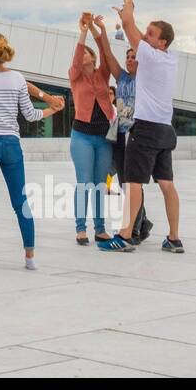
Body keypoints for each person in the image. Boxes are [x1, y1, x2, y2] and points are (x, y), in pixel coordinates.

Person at [0, 33, 62, 273]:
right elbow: (30, 115)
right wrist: (52, 109)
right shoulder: (17, 79)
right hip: (11, 144)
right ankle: (29, 258)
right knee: (21, 203)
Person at [99, 0, 182, 253]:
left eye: (150, 34)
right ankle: (174, 238)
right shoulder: (170, 59)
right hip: (165, 130)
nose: (144, 37)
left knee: (133, 183)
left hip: (144, 128)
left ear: (162, 42)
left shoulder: (150, 54)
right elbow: (131, 29)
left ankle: (124, 236)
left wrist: (127, 3)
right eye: (145, 32)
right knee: (167, 184)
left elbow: (127, 26)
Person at [68, 14, 116, 245]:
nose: (83, 54)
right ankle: (80, 228)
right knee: (84, 182)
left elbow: (106, 51)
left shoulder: (103, 74)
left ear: (93, 57)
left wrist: (99, 30)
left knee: (99, 184)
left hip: (104, 136)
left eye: (88, 52)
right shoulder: (75, 76)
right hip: (82, 136)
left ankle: (100, 228)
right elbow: (76, 60)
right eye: (82, 52)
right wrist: (83, 30)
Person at [101, 35, 151, 238]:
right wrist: (101, 29)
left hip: (137, 135)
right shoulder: (121, 78)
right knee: (125, 184)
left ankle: (136, 228)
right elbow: (108, 54)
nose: (130, 59)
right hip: (120, 136)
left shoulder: (147, 80)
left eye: (134, 56)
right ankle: (143, 222)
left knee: (133, 184)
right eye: (128, 56)